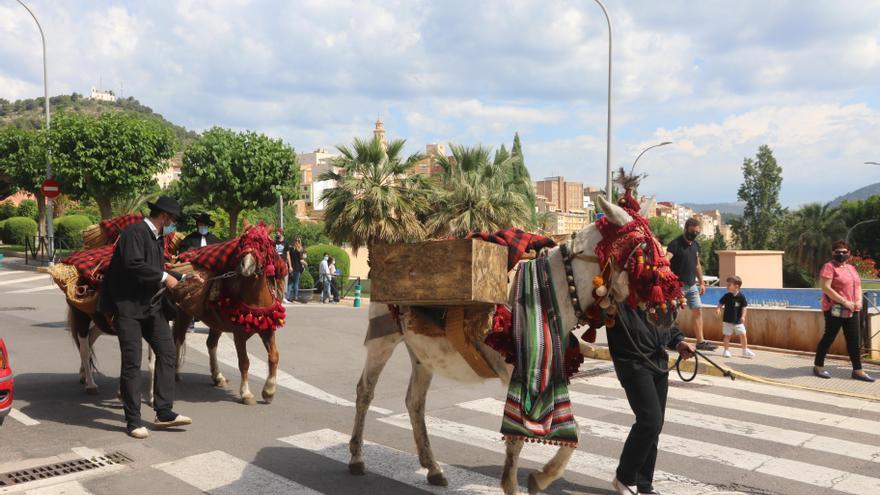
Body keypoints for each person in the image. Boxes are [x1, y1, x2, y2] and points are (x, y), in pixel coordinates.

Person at [97, 196, 195, 439]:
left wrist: (182, 278)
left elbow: (156, 266)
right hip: (128, 308)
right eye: (173, 220)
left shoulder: (156, 236)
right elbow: (133, 264)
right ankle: (133, 421)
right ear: (164, 217)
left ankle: (163, 412)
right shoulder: (134, 233)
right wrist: (165, 277)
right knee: (132, 362)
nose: (173, 225)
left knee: (168, 352)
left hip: (152, 308)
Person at [608, 304, 696, 495]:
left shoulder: (657, 290)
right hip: (633, 363)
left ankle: (643, 484)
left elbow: (667, 325)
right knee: (650, 420)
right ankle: (625, 476)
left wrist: (679, 342)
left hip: (658, 361)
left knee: (655, 426)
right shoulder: (618, 293)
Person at [814, 240, 874, 382]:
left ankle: (858, 370)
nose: (841, 254)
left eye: (844, 252)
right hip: (835, 309)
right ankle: (818, 366)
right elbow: (826, 288)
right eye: (837, 252)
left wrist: (858, 300)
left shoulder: (851, 268)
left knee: (854, 340)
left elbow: (858, 286)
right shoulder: (829, 267)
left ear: (849, 253)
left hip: (852, 309)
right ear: (833, 253)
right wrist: (845, 301)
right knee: (829, 337)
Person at [666, 218, 715, 351]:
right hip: (677, 286)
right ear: (686, 228)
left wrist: (702, 282)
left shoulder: (696, 245)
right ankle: (670, 340)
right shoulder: (675, 244)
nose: (695, 234)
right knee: (672, 314)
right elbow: (666, 260)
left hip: (692, 285)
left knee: (698, 311)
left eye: (697, 232)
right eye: (693, 231)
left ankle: (700, 341)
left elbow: (697, 264)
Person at [717, 275, 755, 358]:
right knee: (727, 336)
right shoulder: (727, 296)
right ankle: (726, 350)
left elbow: (744, 308)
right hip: (727, 320)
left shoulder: (741, 297)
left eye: (729, 285)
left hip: (738, 321)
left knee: (743, 334)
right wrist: (718, 309)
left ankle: (745, 350)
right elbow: (720, 303)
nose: (727, 286)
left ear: (736, 286)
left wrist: (743, 317)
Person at [274, 231, 291, 304]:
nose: (277, 234)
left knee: (284, 280)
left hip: (283, 263)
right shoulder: (274, 242)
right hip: (275, 263)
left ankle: (283, 297)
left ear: (281, 233)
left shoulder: (286, 243)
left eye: (278, 233)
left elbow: (288, 255)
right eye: (276, 233)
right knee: (275, 279)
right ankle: (275, 296)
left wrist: (290, 266)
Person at [287, 237, 306, 302]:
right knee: (296, 283)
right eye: (299, 241)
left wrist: (290, 266)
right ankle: (295, 297)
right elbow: (301, 260)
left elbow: (288, 257)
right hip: (297, 268)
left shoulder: (290, 249)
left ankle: (288, 297)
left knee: (290, 283)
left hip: (291, 268)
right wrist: (306, 264)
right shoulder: (299, 250)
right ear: (298, 242)